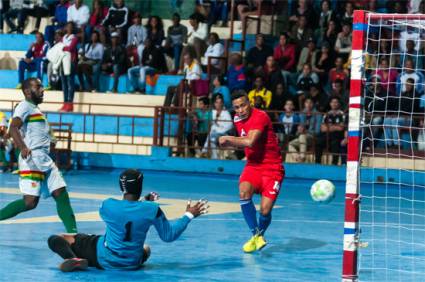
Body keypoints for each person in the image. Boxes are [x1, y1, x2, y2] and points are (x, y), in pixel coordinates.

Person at [47, 169, 208, 272]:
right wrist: (189, 215)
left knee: (58, 238)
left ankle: (73, 259)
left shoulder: (108, 205)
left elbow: (125, 210)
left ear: (121, 186)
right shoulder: (152, 209)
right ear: (140, 186)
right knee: (146, 248)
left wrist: (143, 200)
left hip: (104, 257)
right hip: (132, 262)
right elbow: (169, 235)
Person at [0, 78, 77, 234]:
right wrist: (22, 147)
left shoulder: (36, 110)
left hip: (45, 159)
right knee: (30, 202)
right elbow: (13, 128)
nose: (42, 90)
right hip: (32, 159)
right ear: (28, 91)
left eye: (42, 87)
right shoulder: (24, 106)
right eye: (38, 87)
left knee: (60, 193)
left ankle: (73, 234)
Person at [219, 90, 284, 253]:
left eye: (243, 105)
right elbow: (243, 142)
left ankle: (260, 234)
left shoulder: (260, 116)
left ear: (250, 103)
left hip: (272, 168)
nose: (240, 110)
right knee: (243, 193)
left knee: (265, 210)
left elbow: (250, 141)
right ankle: (256, 235)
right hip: (253, 166)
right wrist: (231, 144)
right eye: (236, 107)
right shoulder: (237, 118)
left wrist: (227, 139)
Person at [315, 96, 346, 165]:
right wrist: (335, 126)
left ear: (339, 104)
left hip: (338, 135)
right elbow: (323, 128)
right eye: (332, 102)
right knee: (319, 142)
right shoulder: (327, 114)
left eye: (336, 102)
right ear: (330, 104)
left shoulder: (342, 114)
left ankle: (334, 163)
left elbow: (341, 128)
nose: (334, 104)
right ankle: (317, 162)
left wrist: (329, 126)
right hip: (327, 134)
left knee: (335, 143)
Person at [201, 94, 233, 159]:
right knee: (212, 137)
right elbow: (208, 120)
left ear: (222, 103)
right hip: (214, 132)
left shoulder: (226, 113)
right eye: (216, 102)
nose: (218, 104)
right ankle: (213, 157)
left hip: (224, 133)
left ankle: (204, 151)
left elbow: (229, 126)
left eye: (220, 103)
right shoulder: (213, 112)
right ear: (214, 104)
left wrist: (219, 127)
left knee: (212, 136)